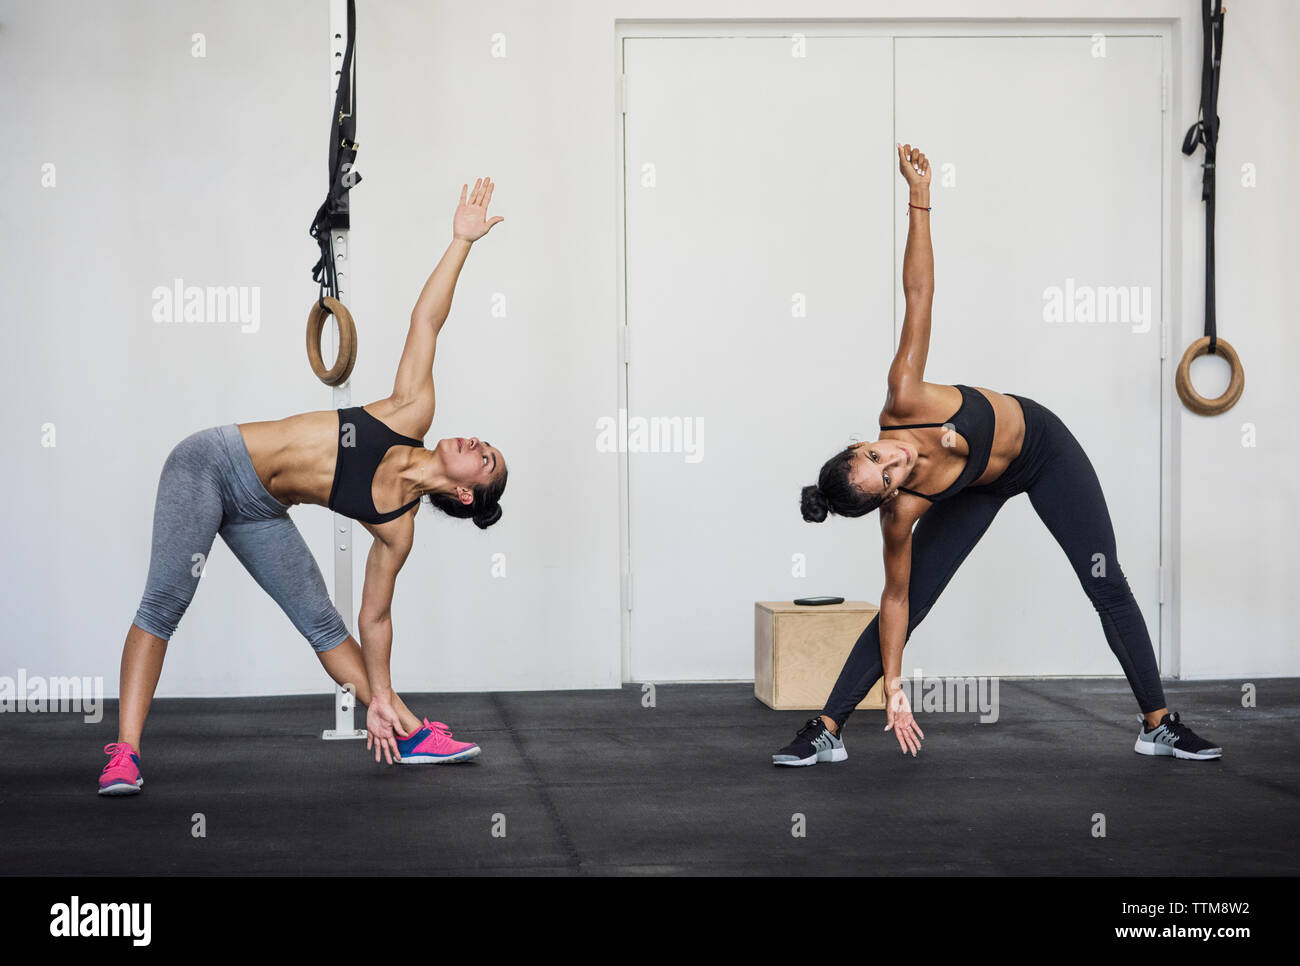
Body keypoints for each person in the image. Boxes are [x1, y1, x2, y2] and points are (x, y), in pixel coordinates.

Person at [773, 146, 1221, 767]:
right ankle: (826, 727)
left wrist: (920, 198)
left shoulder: (905, 395)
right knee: (909, 603)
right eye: (888, 479)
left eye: (880, 455)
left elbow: (918, 293)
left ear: (861, 442)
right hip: (975, 490)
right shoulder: (901, 513)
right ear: (887, 498)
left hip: (1041, 449)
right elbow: (896, 602)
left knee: (1103, 578)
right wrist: (896, 691)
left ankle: (1158, 724)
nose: (897, 460)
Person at [99, 178, 508, 795]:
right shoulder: (410, 410)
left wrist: (377, 691)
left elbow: (375, 620)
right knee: (164, 603)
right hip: (210, 462)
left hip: (260, 508)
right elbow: (427, 320)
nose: (476, 443)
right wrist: (461, 242)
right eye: (482, 440)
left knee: (324, 624)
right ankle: (124, 753)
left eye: (487, 459)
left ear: (467, 494)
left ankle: (404, 725)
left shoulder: (397, 529)